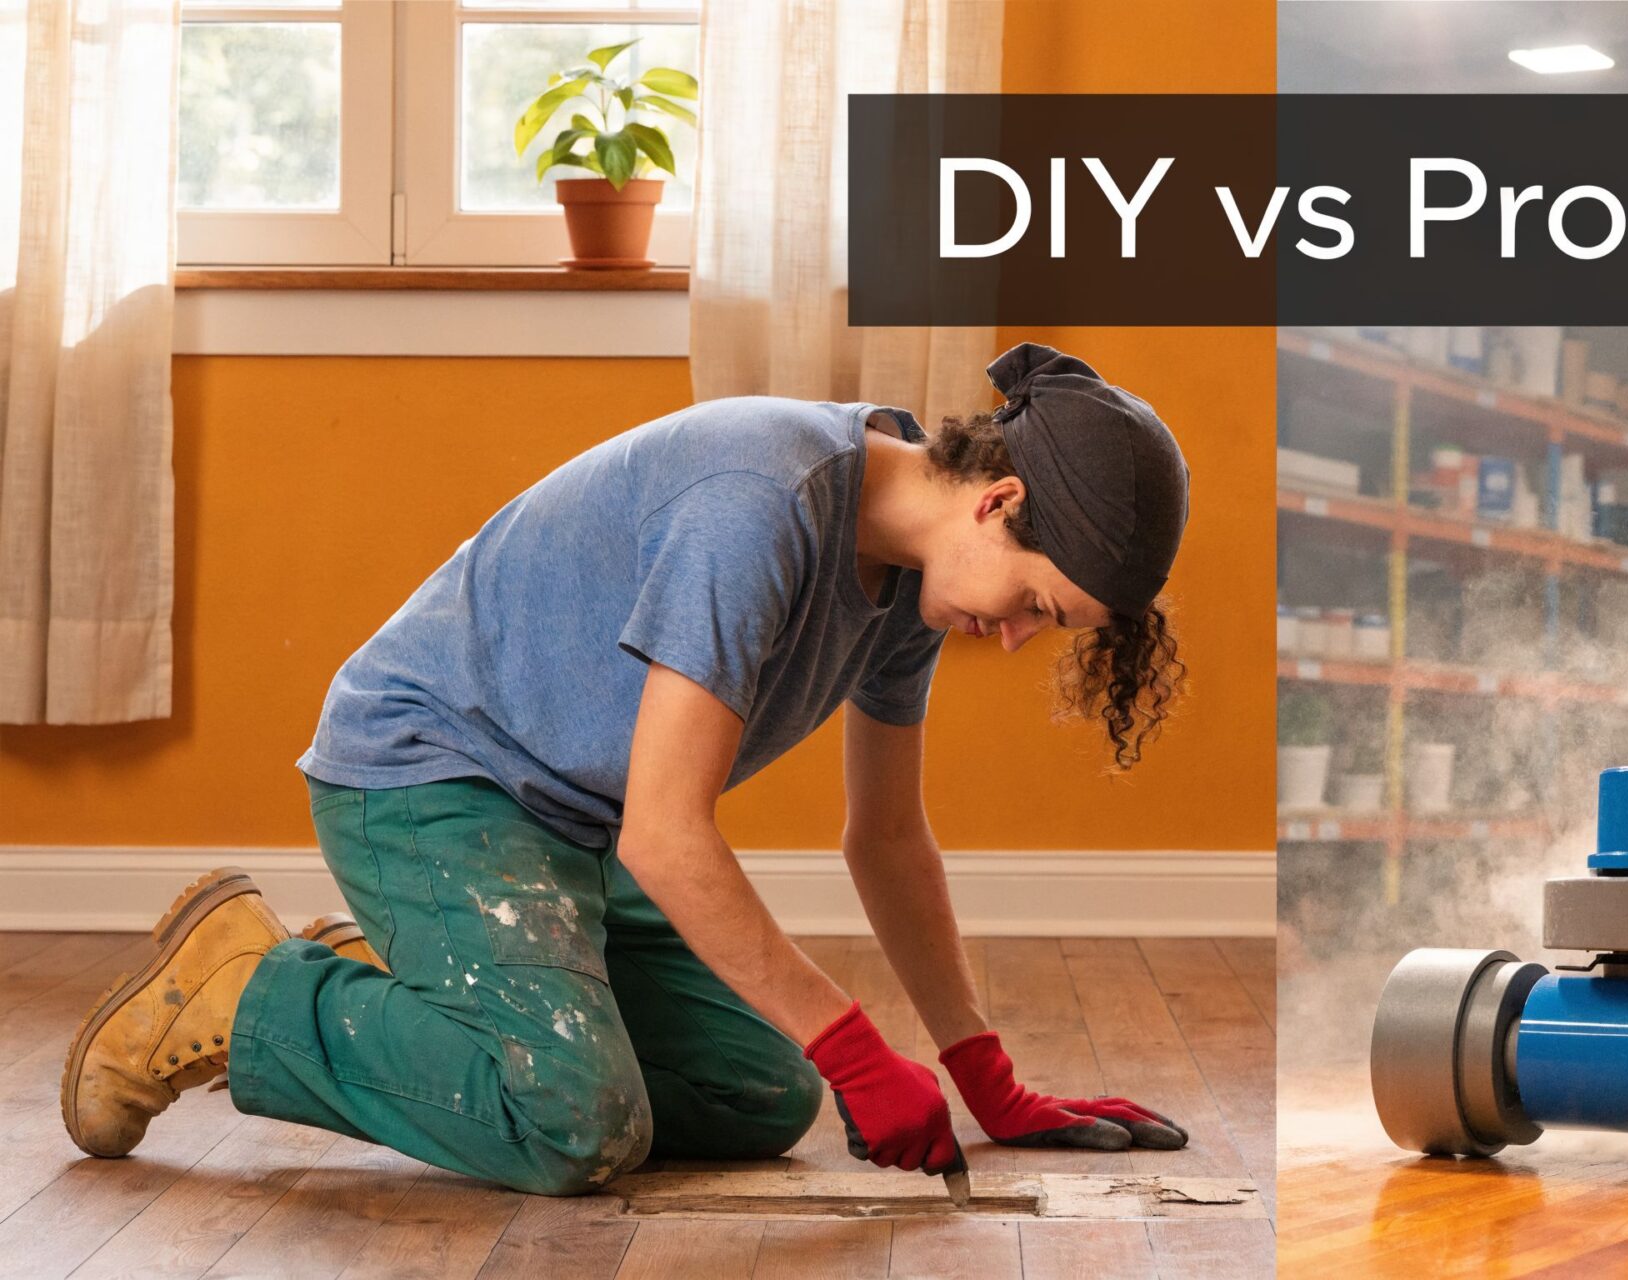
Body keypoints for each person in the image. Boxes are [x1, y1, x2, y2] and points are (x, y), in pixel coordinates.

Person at [62, 343, 1196, 1194]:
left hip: (559, 830)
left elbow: (886, 835)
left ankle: (447, 978)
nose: (1015, 635)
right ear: (998, 503)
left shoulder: (913, 574)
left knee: (765, 1091)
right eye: (1036, 603)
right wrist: (858, 1039)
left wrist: (982, 1075)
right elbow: (665, 831)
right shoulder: (755, 506)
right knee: (575, 1121)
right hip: (424, 777)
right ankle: (249, 989)